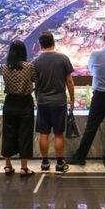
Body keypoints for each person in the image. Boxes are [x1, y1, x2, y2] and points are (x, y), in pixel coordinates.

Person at [68, 28, 105, 167]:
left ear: (104, 38)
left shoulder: (95, 54)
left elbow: (92, 70)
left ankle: (80, 157)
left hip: (100, 96)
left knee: (91, 127)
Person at [33, 31, 75, 174]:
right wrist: (72, 99)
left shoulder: (36, 62)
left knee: (43, 133)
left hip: (43, 102)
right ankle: (60, 163)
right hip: (59, 102)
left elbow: (35, 83)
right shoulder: (63, 59)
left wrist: (37, 98)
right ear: (54, 42)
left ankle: (45, 163)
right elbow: (69, 81)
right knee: (58, 134)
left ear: (40, 45)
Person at [1, 41, 36, 175]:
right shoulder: (29, 66)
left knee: (8, 134)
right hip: (25, 102)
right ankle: (24, 167)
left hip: (9, 102)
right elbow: (35, 80)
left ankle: (8, 165)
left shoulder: (5, 67)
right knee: (25, 134)